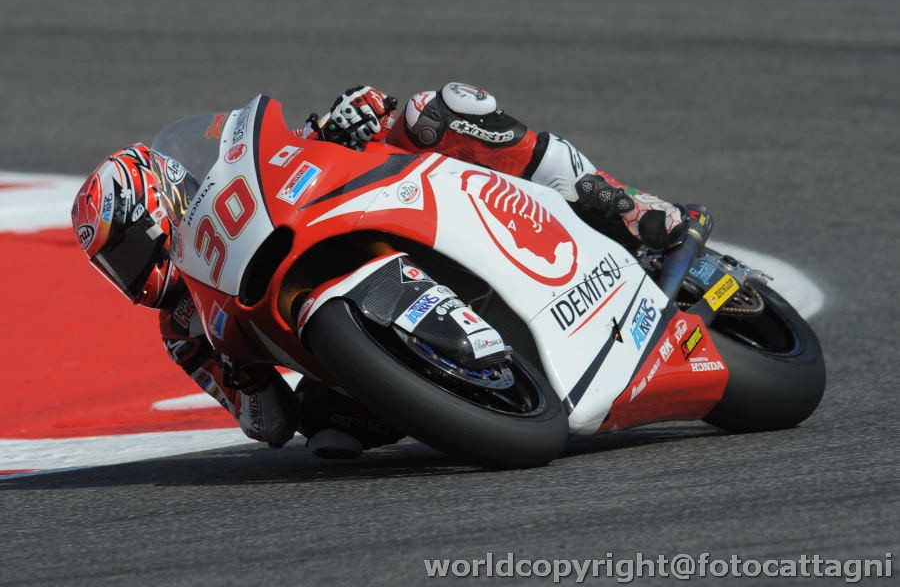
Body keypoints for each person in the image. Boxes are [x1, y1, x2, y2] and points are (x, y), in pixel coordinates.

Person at [71, 83, 685, 459]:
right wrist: (243, 378)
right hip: (346, 359)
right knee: (323, 432)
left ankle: (618, 202)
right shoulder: (183, 334)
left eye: (127, 252)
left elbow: (293, 150)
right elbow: (268, 425)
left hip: (369, 211)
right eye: (113, 268)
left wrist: (342, 120)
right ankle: (454, 391)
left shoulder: (233, 192)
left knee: (435, 111)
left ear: (162, 202)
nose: (131, 276)